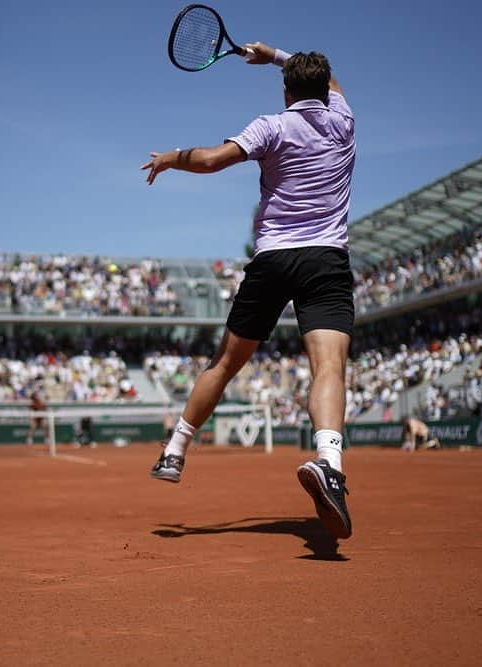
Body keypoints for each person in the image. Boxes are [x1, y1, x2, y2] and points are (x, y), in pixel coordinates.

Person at [142, 43, 356, 539]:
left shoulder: (272, 125)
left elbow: (214, 160)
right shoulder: (343, 118)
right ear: (324, 89)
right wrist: (278, 54)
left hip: (273, 259)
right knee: (329, 366)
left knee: (225, 363)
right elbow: (334, 85)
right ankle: (329, 463)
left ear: (286, 93)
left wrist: (174, 158)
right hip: (326, 259)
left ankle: (175, 452)